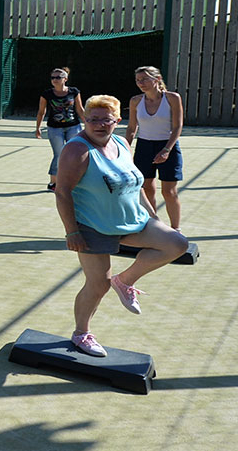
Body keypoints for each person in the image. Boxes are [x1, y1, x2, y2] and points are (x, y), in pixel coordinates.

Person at [55, 95, 188, 358]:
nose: (99, 125)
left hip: (131, 220)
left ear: (117, 120)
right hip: (93, 227)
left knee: (176, 243)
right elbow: (62, 192)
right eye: (93, 119)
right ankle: (81, 333)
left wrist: (154, 218)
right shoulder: (77, 150)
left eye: (106, 120)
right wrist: (72, 231)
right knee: (98, 285)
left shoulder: (121, 143)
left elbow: (135, 184)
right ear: (85, 120)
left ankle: (125, 281)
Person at [125, 66, 184, 231]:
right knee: (146, 190)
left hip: (168, 146)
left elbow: (178, 126)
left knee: (169, 192)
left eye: (144, 79)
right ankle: (153, 226)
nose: (141, 83)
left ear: (157, 79)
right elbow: (131, 128)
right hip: (144, 147)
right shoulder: (135, 101)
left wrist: (166, 150)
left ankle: (176, 230)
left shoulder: (172, 98)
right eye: (138, 80)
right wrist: (124, 148)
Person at [35, 67, 85, 191]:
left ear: (65, 79)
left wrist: (88, 124)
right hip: (54, 128)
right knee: (59, 154)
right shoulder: (47, 94)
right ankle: (53, 183)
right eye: (53, 77)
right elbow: (41, 112)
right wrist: (38, 127)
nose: (55, 80)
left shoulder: (74, 92)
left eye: (58, 77)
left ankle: (74, 181)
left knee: (75, 153)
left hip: (73, 127)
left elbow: (80, 109)